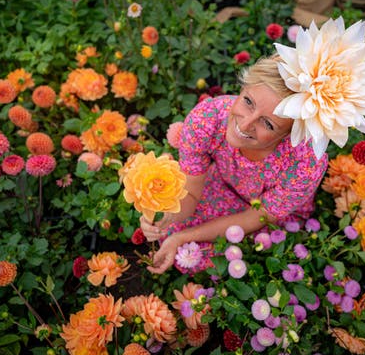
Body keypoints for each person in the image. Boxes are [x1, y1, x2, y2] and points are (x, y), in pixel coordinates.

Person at [140, 54, 329, 275]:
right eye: (248, 102)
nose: (245, 124)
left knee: (227, 260)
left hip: (264, 214)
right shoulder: (207, 119)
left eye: (267, 123)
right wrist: (164, 215)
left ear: (288, 134)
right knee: (172, 230)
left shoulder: (304, 165)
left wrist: (183, 237)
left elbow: (256, 217)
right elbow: (190, 194)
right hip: (222, 185)